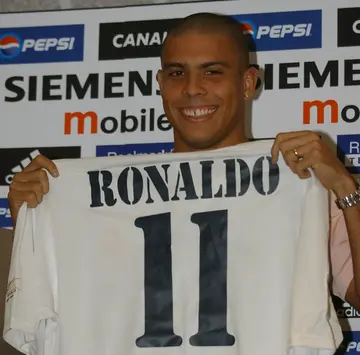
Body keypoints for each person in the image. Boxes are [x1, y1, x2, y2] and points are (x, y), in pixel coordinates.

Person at [6, 13, 360, 311]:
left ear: (248, 82)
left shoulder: (298, 181)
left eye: (212, 72)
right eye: (177, 73)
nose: (192, 88)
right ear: (160, 83)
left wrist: (345, 187)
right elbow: (54, 312)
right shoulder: (102, 197)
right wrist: (31, 222)